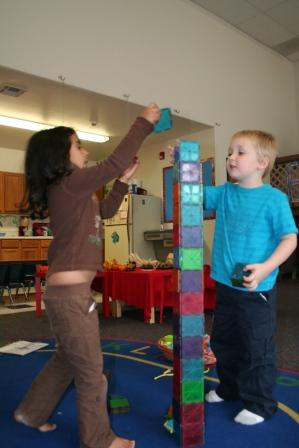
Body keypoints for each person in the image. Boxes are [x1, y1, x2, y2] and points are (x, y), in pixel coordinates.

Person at [14, 102, 160, 448]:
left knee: (67, 358)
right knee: (92, 372)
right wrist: (143, 123)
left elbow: (106, 210)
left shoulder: (77, 193)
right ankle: (99, 440)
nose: (85, 150)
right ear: (59, 159)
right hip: (71, 299)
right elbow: (112, 161)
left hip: (68, 296)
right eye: (78, 145)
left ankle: (31, 413)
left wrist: (123, 182)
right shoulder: (69, 185)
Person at [204, 130, 298, 425]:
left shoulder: (274, 199)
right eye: (230, 151)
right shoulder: (224, 192)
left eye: (240, 152)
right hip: (226, 286)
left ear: (262, 163)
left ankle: (260, 404)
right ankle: (230, 388)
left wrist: (267, 267)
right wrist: (184, 164)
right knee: (224, 342)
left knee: (258, 347)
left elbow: (290, 239)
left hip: (257, 290)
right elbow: (191, 194)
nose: (231, 157)